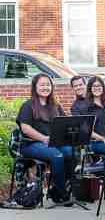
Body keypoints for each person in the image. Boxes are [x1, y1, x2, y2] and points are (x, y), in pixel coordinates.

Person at [17, 74, 75, 203]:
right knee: (57, 155)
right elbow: (25, 128)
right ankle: (61, 194)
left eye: (48, 84)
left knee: (70, 151)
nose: (45, 87)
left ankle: (56, 188)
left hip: (53, 143)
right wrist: (43, 138)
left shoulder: (55, 105)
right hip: (31, 144)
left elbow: (65, 123)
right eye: (42, 85)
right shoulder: (28, 105)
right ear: (35, 87)